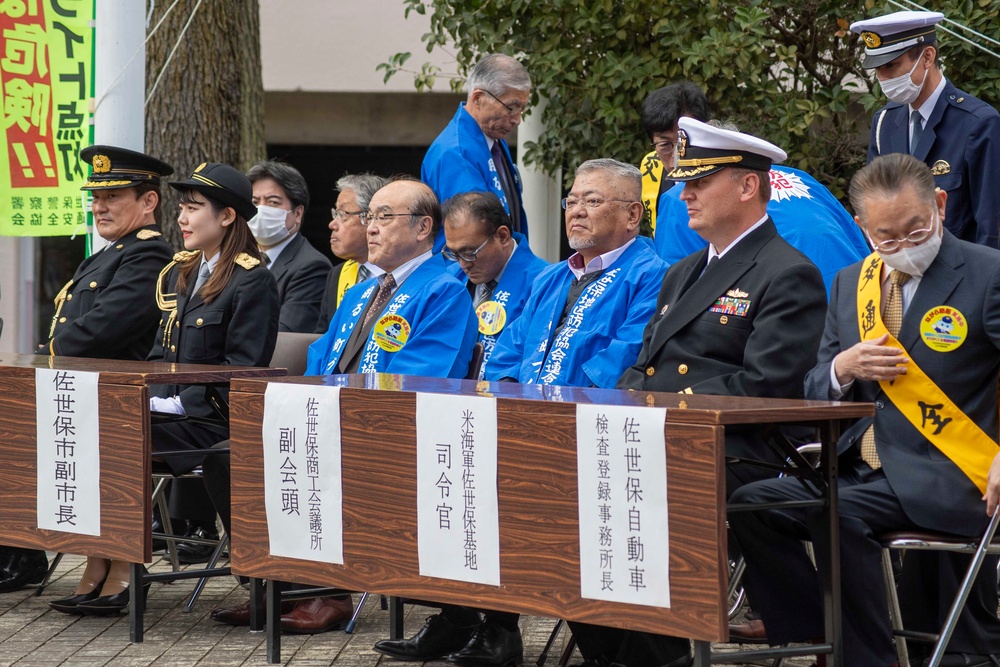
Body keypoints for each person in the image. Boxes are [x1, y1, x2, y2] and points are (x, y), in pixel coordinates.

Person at [569, 118, 828, 667]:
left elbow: (764, 387)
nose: (682, 193)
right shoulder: (683, 270)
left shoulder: (787, 273)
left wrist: (658, 413)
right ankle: (619, 650)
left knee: (614, 493)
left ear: (747, 186)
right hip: (663, 436)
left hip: (740, 448)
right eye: (683, 180)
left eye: (698, 181)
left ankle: (657, 656)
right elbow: (643, 367)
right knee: (552, 489)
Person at [730, 153, 1000, 667]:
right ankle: (819, 630)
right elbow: (813, 385)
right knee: (752, 501)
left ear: (939, 205)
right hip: (856, 468)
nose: (902, 246)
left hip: (947, 473)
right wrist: (843, 369)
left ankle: (863, 657)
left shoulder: (988, 274)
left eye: (915, 230)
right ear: (862, 228)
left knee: (837, 513)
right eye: (886, 237)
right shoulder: (851, 282)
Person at [49, 162, 279, 616]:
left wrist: (176, 401)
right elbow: (160, 354)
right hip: (170, 412)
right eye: (182, 208)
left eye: (193, 208)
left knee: (114, 438)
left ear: (227, 216)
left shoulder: (252, 280)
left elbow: (243, 371)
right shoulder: (185, 272)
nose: (182, 218)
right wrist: (153, 395)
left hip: (210, 421)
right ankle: (100, 557)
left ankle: (125, 567)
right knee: (87, 431)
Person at [0, 146, 175, 596]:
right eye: (96, 197)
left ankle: (38, 556)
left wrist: (39, 356)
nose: (99, 206)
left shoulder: (148, 255)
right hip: (79, 393)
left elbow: (100, 330)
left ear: (148, 201)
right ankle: (24, 552)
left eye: (113, 196)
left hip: (116, 397)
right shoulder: (106, 255)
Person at [485, 159, 667, 389]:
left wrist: (561, 411)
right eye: (571, 202)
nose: (576, 212)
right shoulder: (550, 277)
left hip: (589, 416)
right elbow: (508, 352)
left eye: (592, 201)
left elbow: (624, 359)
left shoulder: (654, 277)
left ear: (632, 215)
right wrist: (516, 403)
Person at [851, 10, 1000, 247]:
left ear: (927, 57)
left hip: (961, 276)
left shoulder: (978, 124)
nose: (883, 77)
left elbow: (992, 229)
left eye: (891, 65)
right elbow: (875, 206)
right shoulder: (885, 123)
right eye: (877, 69)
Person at [306, 178, 478, 377]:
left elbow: (420, 378)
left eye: (384, 216)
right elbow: (319, 360)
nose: (370, 228)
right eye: (369, 218)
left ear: (422, 227)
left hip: (381, 405)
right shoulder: (357, 293)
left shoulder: (446, 294)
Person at [421, 54, 530, 250]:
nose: (517, 120)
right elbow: (475, 238)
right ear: (478, 98)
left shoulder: (492, 139)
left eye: (521, 109)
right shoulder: (457, 153)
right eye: (511, 108)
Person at [442, 192, 548, 379]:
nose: (463, 264)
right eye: (454, 254)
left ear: (502, 236)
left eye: (469, 252)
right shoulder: (449, 278)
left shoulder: (544, 283)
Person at [247, 159, 332, 331]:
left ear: (298, 213)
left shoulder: (312, 267)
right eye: (255, 202)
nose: (261, 210)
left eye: (273, 202)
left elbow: (286, 332)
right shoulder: (237, 257)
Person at [315, 173, 388, 333]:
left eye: (342, 215)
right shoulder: (338, 274)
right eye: (335, 214)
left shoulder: (400, 274)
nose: (332, 224)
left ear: (371, 218)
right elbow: (322, 338)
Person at [637, 81, 710, 235]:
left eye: (686, 142)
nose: (677, 157)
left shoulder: (727, 176)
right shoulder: (650, 167)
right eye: (665, 145)